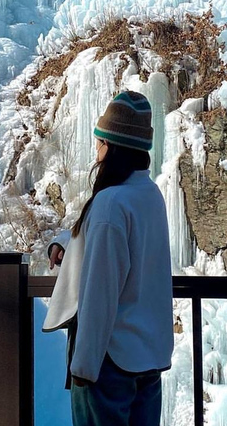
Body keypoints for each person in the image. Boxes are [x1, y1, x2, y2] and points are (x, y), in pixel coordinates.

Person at [42, 90, 174, 426]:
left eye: (100, 142)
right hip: (147, 359)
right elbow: (129, 252)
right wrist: (70, 243)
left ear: (112, 146)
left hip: (109, 362)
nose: (96, 151)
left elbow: (100, 291)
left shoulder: (110, 203)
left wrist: (84, 367)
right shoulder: (149, 195)